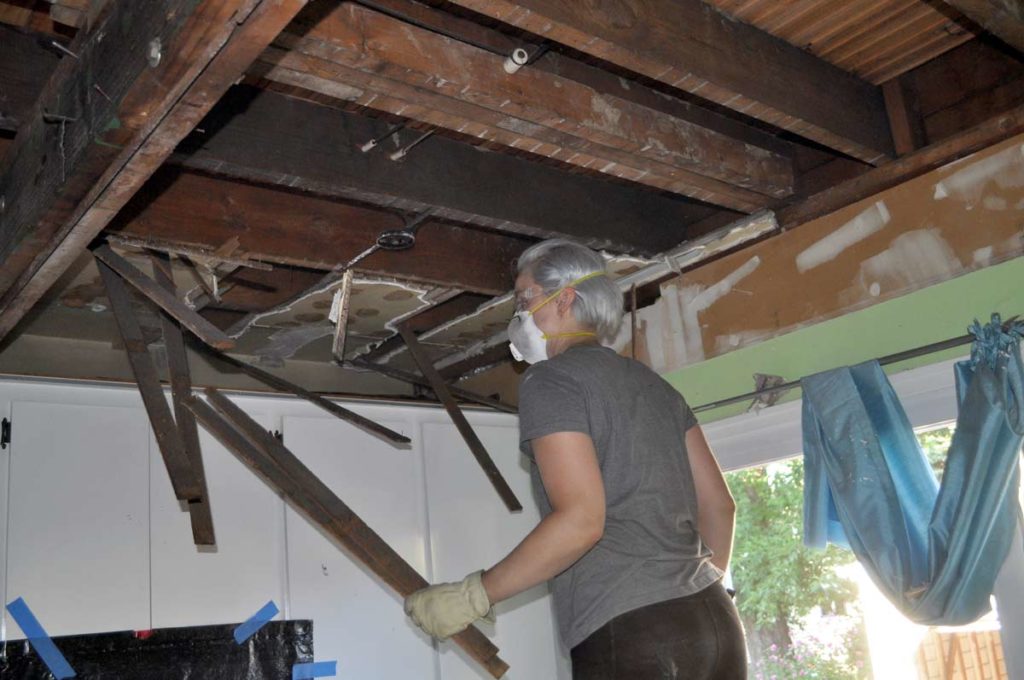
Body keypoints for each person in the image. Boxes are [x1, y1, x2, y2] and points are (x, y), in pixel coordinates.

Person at [404, 239, 747, 679]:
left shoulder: (552, 381)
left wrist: (474, 595)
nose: (518, 316)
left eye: (524, 299)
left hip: (633, 630)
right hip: (714, 619)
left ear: (564, 299)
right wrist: (683, 596)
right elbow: (720, 506)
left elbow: (583, 520)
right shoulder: (655, 386)